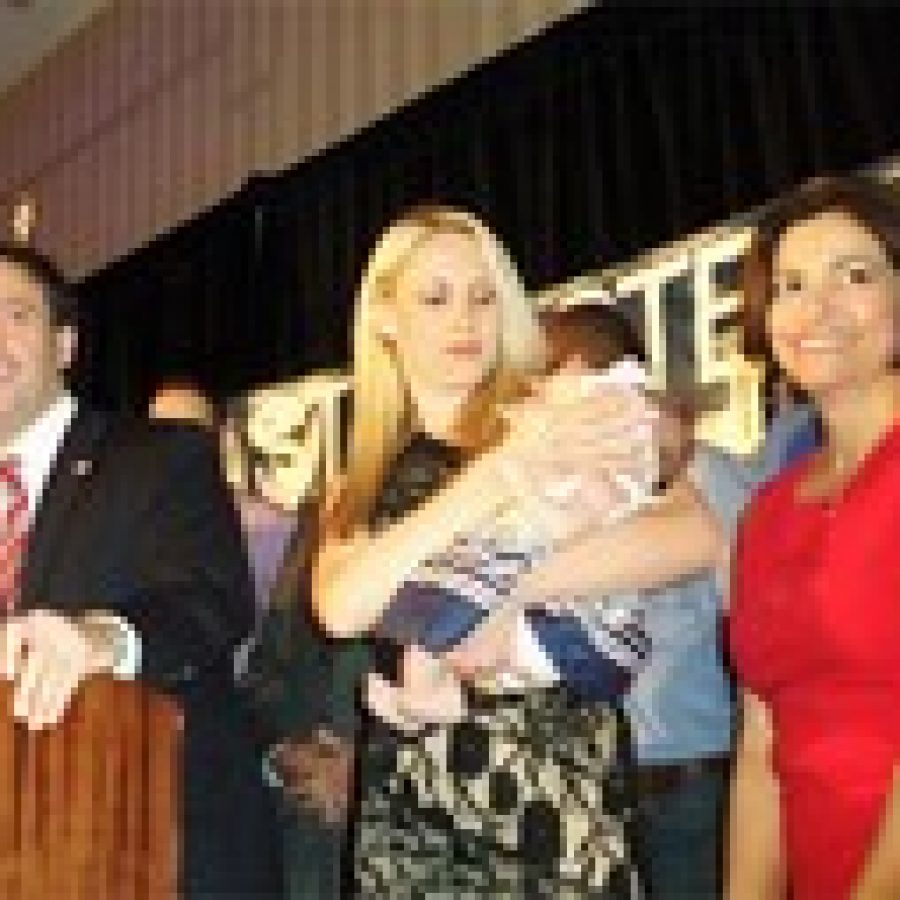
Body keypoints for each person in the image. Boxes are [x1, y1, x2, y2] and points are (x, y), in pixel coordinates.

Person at [310, 205, 671, 897]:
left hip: (553, 794)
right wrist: (497, 478)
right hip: (415, 809)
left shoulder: (556, 413)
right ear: (385, 316)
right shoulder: (356, 484)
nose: (464, 321)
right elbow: (341, 606)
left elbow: (689, 534)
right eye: (435, 298)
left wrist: (504, 589)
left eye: (483, 298)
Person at [0, 243, 282, 898]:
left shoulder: (160, 457)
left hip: (156, 847)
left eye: (14, 315)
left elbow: (210, 601)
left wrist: (102, 638)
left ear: (65, 345)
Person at [726, 174, 900, 900]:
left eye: (853, 275)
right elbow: (763, 744)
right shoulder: (764, 513)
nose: (816, 308)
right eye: (791, 285)